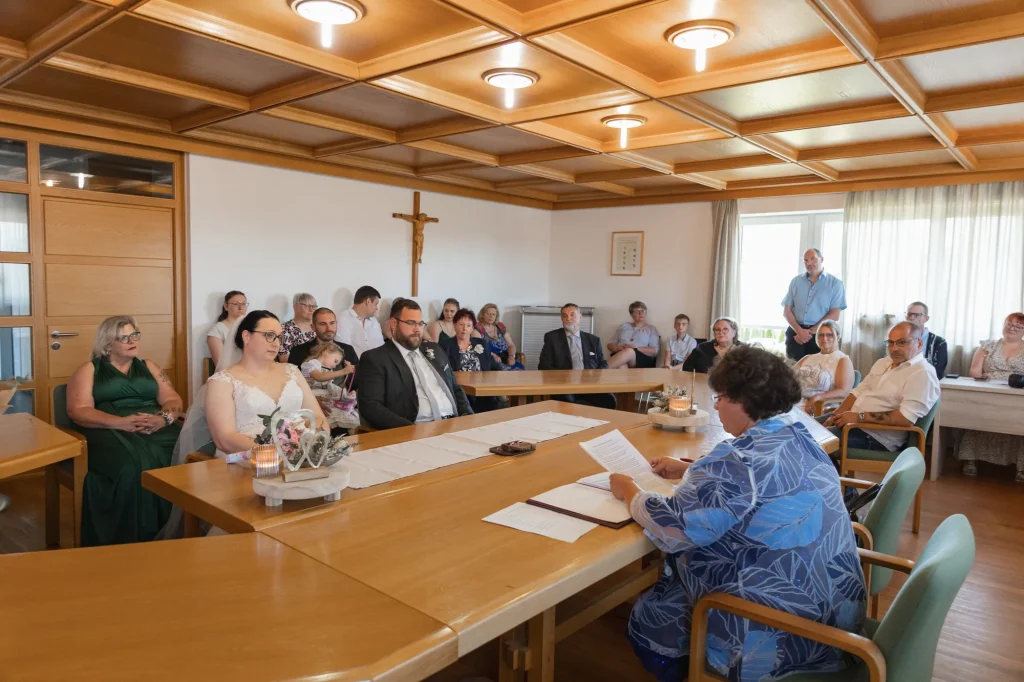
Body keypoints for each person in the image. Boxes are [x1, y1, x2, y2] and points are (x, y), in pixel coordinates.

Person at [608, 345, 865, 681]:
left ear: (746, 401)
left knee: (655, 609)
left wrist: (628, 489)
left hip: (781, 634)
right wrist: (692, 469)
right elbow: (759, 485)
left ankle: (695, 670)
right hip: (836, 614)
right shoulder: (800, 437)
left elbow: (673, 527)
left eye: (722, 396)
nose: (715, 404)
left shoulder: (735, 461)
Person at [66, 316, 183, 546]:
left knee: (188, 453)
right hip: (107, 428)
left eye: (134, 335)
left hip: (153, 424)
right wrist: (119, 423)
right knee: (133, 463)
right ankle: (134, 538)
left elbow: (172, 398)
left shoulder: (149, 366)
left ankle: (180, 527)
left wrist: (163, 419)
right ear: (108, 343)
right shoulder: (89, 369)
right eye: (124, 337)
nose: (132, 341)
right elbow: (77, 411)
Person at [206, 311, 328, 456]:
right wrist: (275, 453)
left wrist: (314, 444)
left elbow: (318, 418)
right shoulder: (222, 382)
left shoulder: (292, 371)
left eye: (279, 337)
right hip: (246, 462)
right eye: (269, 335)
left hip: (300, 458)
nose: (276, 344)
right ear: (246, 336)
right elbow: (224, 439)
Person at [822, 321, 939, 455]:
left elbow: (905, 418)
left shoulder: (922, 373)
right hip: (851, 423)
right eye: (890, 342)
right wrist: (836, 414)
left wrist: (858, 417)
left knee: (810, 441)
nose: (894, 348)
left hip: (875, 437)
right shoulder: (883, 362)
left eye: (902, 342)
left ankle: (828, 473)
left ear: (919, 343)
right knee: (799, 429)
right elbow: (857, 392)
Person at [357, 298, 472, 430]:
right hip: (414, 430)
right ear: (393, 323)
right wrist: (411, 430)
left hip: (453, 425)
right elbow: (371, 407)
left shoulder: (435, 350)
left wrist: (468, 417)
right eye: (411, 323)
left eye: (420, 323)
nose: (417, 329)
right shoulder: (375, 359)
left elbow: (455, 388)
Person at [959, 312, 1024, 480]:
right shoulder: (988, 345)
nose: (1012, 328)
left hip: (1017, 395)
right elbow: (974, 370)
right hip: (987, 391)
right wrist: (986, 381)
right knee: (978, 417)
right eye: (1009, 324)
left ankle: (1020, 467)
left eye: (1018, 326)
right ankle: (970, 459)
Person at [538, 303, 615, 410]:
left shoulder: (593, 340)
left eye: (572, 314)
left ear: (580, 317)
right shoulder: (552, 338)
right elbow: (544, 365)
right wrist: (564, 379)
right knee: (570, 402)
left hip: (589, 385)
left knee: (609, 400)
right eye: (564, 316)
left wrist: (595, 377)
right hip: (565, 386)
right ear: (561, 319)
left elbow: (602, 363)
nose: (568, 318)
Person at [782, 248, 846, 361]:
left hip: (820, 334)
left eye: (813, 259)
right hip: (795, 334)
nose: (809, 263)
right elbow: (787, 310)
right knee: (792, 373)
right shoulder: (796, 282)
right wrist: (799, 331)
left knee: (818, 371)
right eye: (806, 260)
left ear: (821, 259)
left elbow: (835, 314)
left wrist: (809, 332)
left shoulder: (835, 284)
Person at [440, 308, 499, 413]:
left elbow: (492, 365)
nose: (464, 329)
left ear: (472, 328)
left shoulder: (481, 344)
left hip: (482, 390)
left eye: (468, 326)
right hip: (461, 391)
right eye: (461, 324)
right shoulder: (446, 346)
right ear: (454, 325)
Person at [287, 308, 359, 388]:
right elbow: (292, 382)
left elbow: (358, 381)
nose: (329, 328)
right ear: (313, 327)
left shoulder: (348, 349)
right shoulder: (298, 352)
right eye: (323, 324)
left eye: (332, 323)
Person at [795, 320, 855, 415]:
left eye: (829, 335)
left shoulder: (842, 360)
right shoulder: (808, 358)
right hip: (795, 401)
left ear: (838, 337)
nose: (824, 338)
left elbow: (844, 391)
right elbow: (788, 377)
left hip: (821, 406)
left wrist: (818, 397)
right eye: (821, 335)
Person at [300, 341, 358, 432]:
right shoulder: (312, 364)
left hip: (324, 396)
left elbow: (330, 386)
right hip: (312, 395)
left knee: (350, 417)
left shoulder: (325, 370)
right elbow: (318, 377)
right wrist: (342, 371)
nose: (335, 365)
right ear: (326, 351)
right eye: (335, 361)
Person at [607, 301, 660, 369]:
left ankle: (600, 370)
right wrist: (617, 348)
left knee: (629, 351)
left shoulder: (651, 329)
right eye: (637, 311)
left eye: (643, 311)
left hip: (641, 359)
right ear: (631, 314)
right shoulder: (624, 326)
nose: (640, 313)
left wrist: (635, 348)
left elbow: (654, 351)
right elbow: (610, 345)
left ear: (646, 313)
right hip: (620, 354)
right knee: (622, 366)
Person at [337, 285, 384, 358]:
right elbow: (344, 349)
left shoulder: (374, 322)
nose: (376, 308)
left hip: (377, 365)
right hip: (356, 365)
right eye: (376, 304)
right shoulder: (344, 318)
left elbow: (381, 346)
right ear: (368, 301)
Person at [906, 301, 948, 379]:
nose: (911, 318)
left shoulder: (939, 343)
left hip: (926, 383)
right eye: (909, 314)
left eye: (917, 315)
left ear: (926, 319)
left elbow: (938, 373)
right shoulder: (898, 340)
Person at [207, 290, 247, 368]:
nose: (240, 307)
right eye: (236, 304)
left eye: (243, 304)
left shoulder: (251, 326)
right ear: (226, 306)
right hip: (231, 374)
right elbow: (221, 365)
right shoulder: (217, 330)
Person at [475, 303, 517, 370]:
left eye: (493, 314)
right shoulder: (478, 328)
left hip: (506, 358)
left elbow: (511, 344)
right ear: (482, 315)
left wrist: (511, 356)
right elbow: (478, 348)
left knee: (520, 371)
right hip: (490, 361)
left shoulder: (500, 326)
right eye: (488, 314)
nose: (491, 316)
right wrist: (493, 356)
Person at [278, 292, 318, 361]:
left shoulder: (319, 326)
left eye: (313, 306)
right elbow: (285, 360)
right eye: (307, 306)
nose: (311, 310)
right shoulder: (286, 329)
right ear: (295, 306)